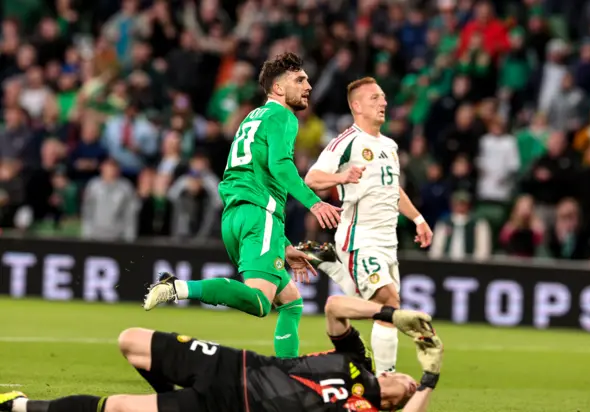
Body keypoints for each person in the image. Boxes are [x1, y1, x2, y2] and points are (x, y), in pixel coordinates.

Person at [142, 52, 342, 359]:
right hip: (258, 217)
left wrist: (283, 245)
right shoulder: (283, 116)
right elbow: (280, 166)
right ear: (277, 88)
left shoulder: (252, 118)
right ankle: (178, 288)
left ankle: (287, 374)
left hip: (237, 216)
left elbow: (256, 176)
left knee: (291, 302)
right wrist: (315, 204)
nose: (309, 86)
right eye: (299, 80)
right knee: (261, 303)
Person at [0, 295, 444, 412]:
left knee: (116, 408)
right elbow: (334, 309)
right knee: (129, 340)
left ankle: (18, 406)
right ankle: (171, 387)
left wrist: (429, 380)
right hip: (231, 364)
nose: (402, 379)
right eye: (405, 377)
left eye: (406, 387)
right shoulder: (359, 363)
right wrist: (392, 314)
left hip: (227, 407)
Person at [301, 77, 434, 375]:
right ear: (357, 106)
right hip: (360, 239)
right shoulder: (346, 141)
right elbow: (312, 177)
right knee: (388, 302)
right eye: (375, 98)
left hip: (388, 244)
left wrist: (418, 219)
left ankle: (323, 258)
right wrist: (341, 178)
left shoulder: (389, 145)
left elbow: (392, 189)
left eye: (384, 97)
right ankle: (385, 381)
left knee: (384, 313)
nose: (383, 102)